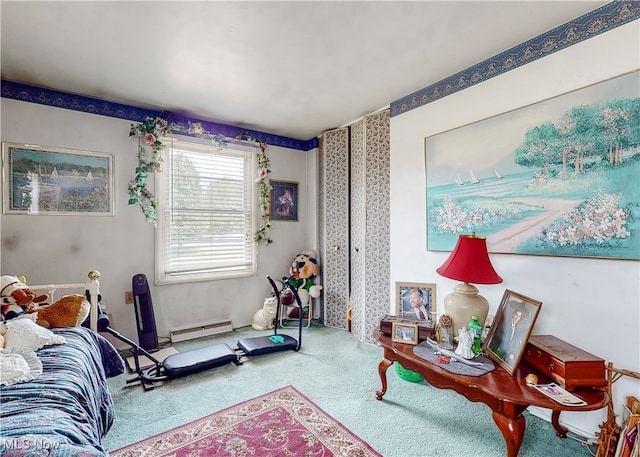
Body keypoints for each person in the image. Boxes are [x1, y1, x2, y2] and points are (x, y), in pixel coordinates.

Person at [489, 301, 531, 366]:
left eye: (519, 316)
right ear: (513, 315)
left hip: (509, 351)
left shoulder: (517, 328)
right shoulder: (507, 325)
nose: (517, 318)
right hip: (500, 350)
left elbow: (516, 342)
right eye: (516, 315)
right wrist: (510, 353)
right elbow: (505, 342)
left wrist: (513, 353)